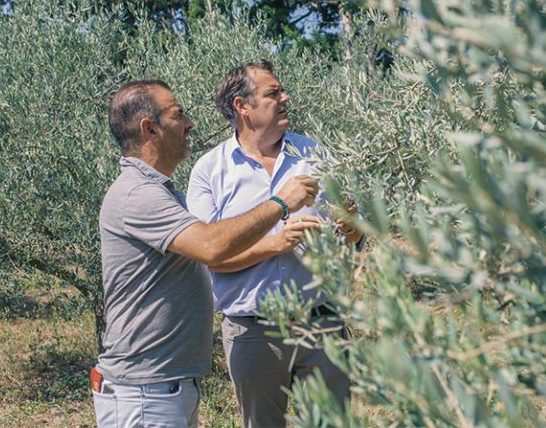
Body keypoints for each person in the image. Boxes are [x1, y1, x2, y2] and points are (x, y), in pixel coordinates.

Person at [92, 79, 319, 428]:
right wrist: (280, 203)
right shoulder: (137, 195)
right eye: (178, 115)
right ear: (149, 129)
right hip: (144, 391)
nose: (189, 123)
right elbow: (211, 246)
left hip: (162, 385)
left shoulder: (160, 192)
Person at [187, 61, 364, 428]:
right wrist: (275, 243)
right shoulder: (210, 170)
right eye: (273, 93)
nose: (286, 98)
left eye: (282, 91)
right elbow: (210, 257)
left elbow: (352, 239)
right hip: (253, 333)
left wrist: (352, 230)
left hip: (322, 322)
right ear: (242, 106)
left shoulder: (314, 155)